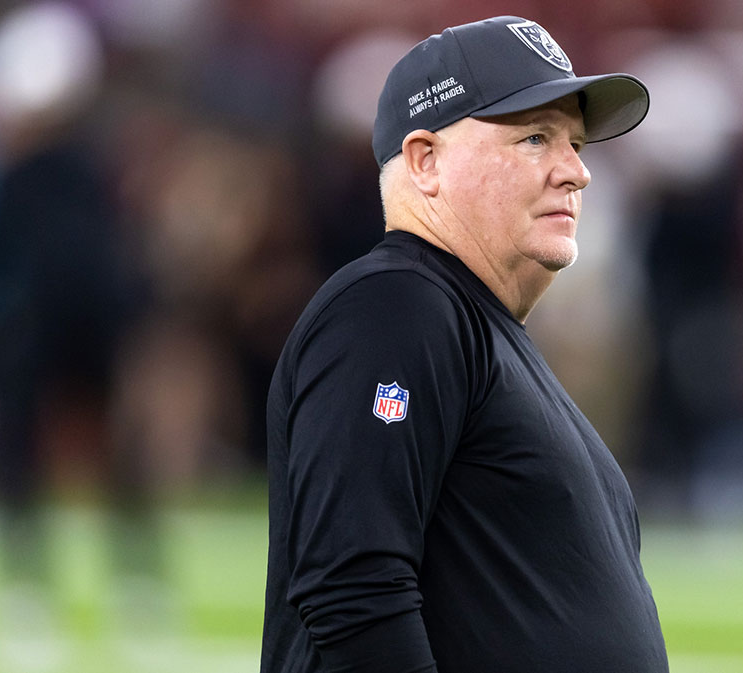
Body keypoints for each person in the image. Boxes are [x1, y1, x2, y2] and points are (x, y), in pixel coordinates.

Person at [261, 16, 665, 673]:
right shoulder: (395, 307)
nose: (576, 173)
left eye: (577, 144)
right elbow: (351, 585)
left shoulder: (473, 326)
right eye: (536, 137)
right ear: (425, 161)